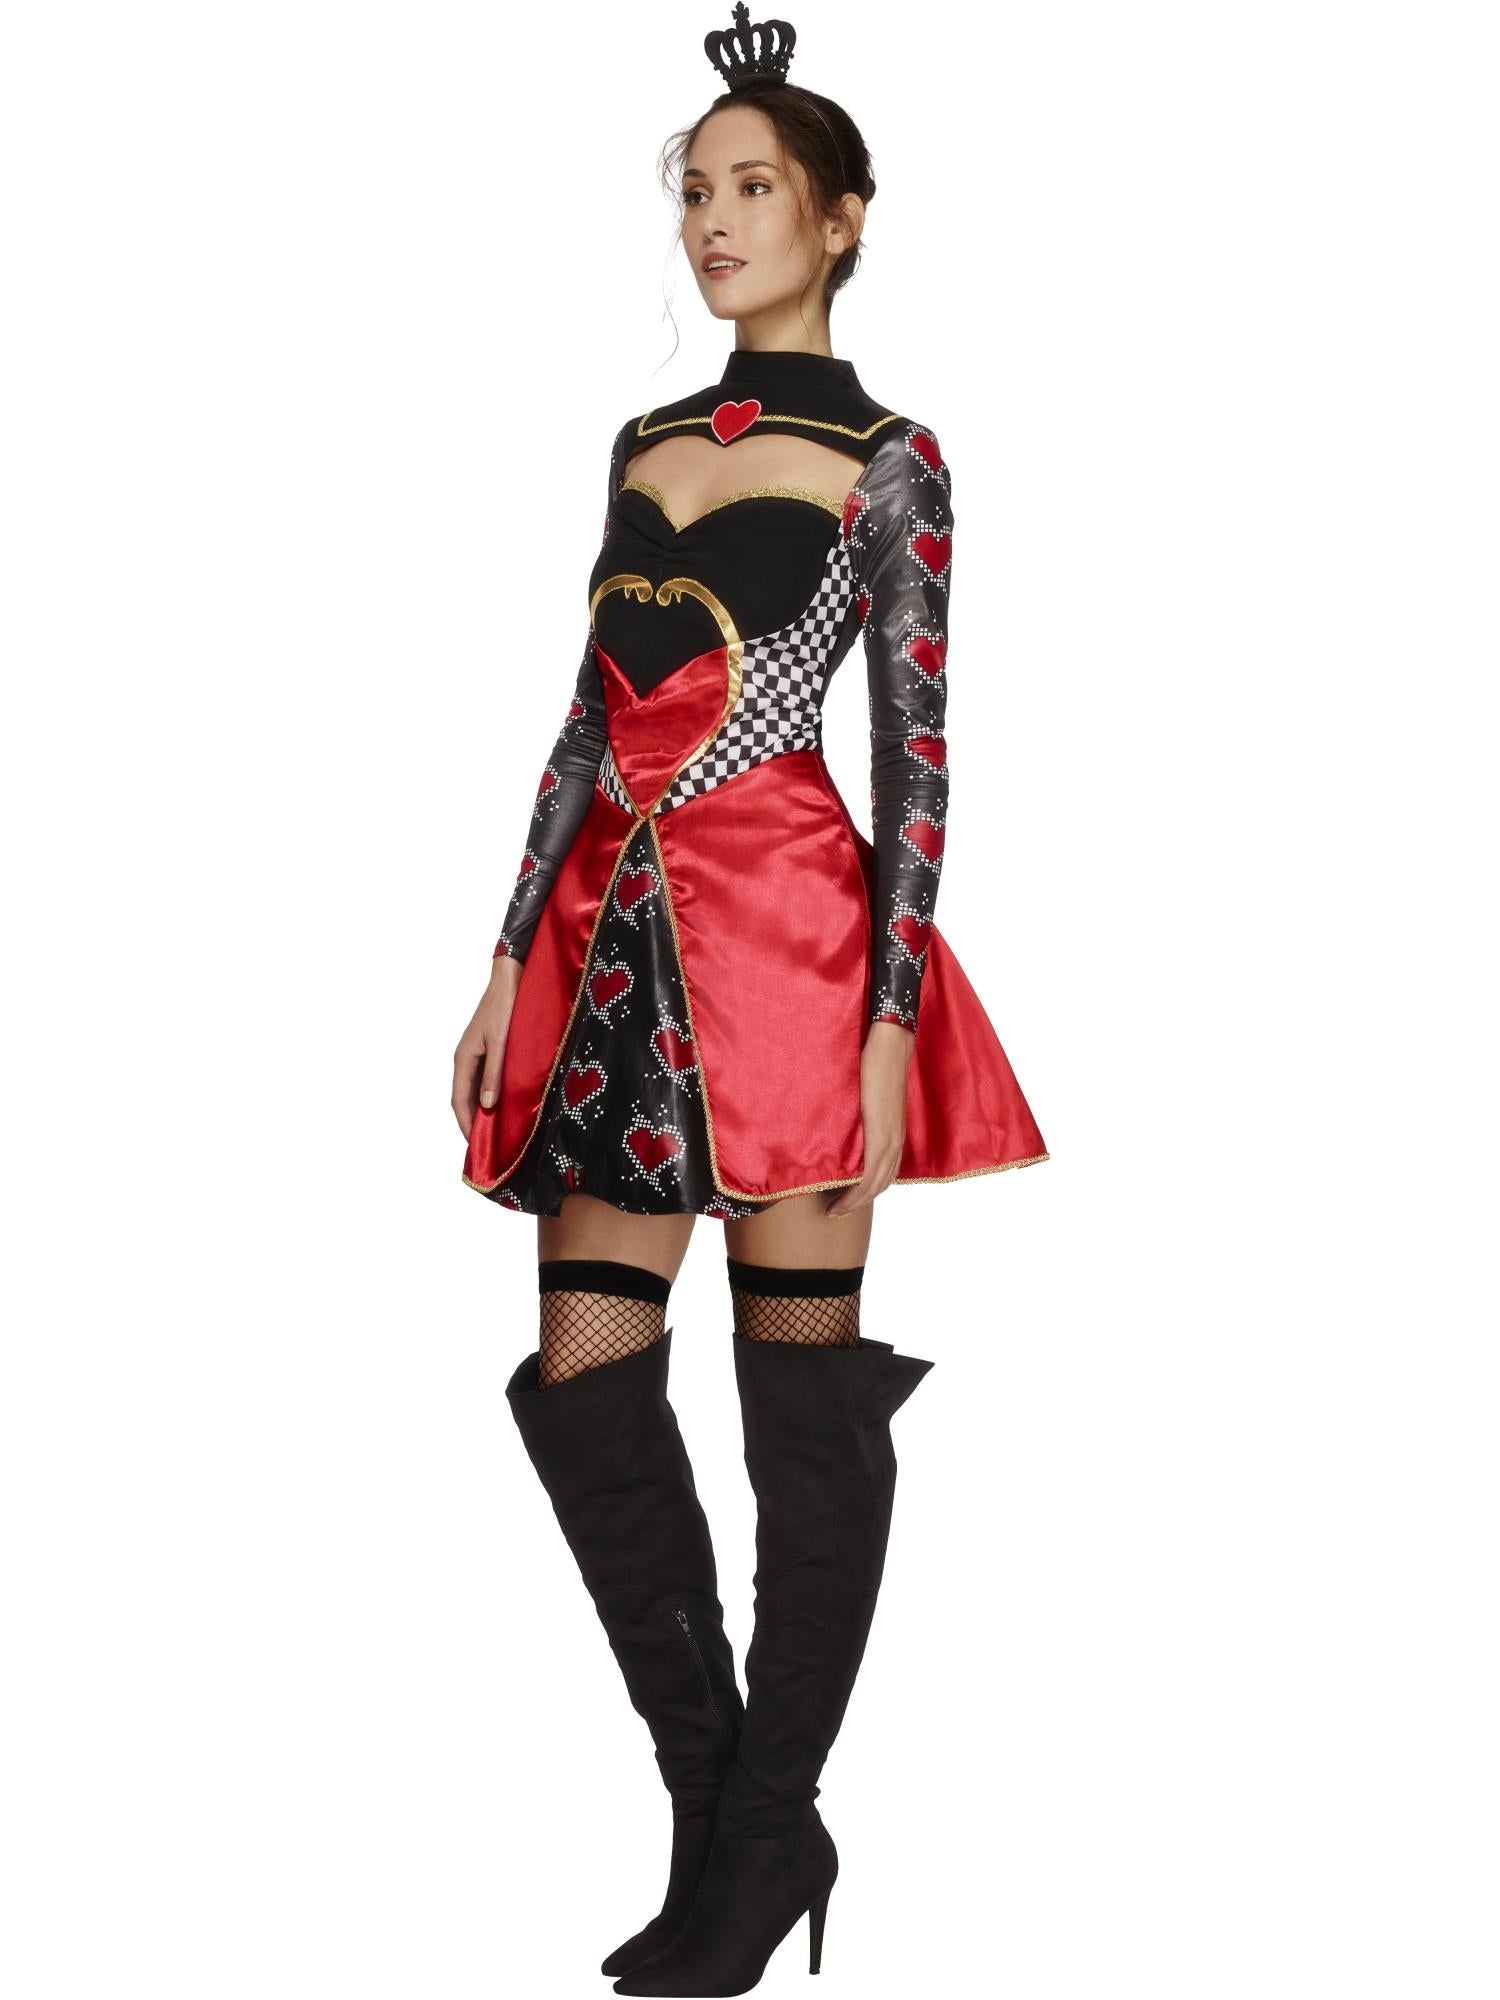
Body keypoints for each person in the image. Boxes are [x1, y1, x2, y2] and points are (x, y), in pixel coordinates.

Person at [450, 9, 1048, 1991]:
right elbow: (584, 721)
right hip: (613, 951)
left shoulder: (891, 464)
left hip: (797, 954)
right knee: (588, 1374)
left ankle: (764, 1816)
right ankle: (733, 1813)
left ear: (841, 217)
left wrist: (892, 1025)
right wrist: (503, 951)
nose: (712, 222)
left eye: (753, 188)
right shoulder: (642, 447)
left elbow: (918, 758)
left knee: (799, 1395)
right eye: (693, 191)